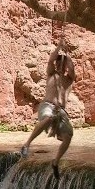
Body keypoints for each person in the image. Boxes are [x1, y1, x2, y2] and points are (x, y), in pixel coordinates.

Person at [20, 40, 76, 178]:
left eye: (62, 64)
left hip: (61, 111)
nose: (60, 65)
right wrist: (59, 48)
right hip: (47, 106)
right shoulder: (51, 74)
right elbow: (51, 60)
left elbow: (72, 69)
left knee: (68, 136)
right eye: (58, 63)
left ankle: (55, 162)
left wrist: (67, 55)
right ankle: (26, 144)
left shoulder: (68, 79)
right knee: (48, 117)